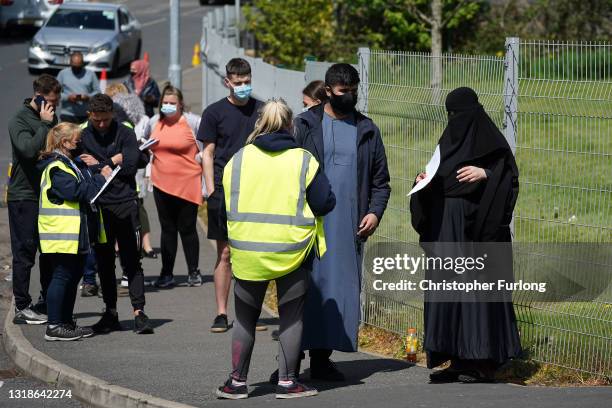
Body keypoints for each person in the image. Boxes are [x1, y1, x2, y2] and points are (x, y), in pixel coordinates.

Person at [215, 99, 335, 400]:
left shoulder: (238, 160)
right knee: (291, 318)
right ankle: (287, 382)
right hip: (291, 252)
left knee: (245, 318)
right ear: (290, 124)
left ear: (260, 123)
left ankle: (236, 383)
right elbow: (323, 202)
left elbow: (222, 206)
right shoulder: (304, 160)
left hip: (247, 252)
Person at [410, 87, 521, 383]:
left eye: (459, 114)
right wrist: (424, 182)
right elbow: (438, 174)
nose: (455, 121)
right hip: (446, 227)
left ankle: (483, 360)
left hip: (477, 232)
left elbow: (509, 177)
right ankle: (456, 358)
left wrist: (486, 174)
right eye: (451, 116)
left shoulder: (492, 143)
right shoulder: (446, 142)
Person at [294, 63, 391, 381]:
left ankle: (322, 360)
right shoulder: (306, 125)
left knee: (337, 292)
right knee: (302, 292)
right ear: (327, 92)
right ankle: (289, 364)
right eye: (341, 92)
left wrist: (375, 212)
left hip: (347, 226)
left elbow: (381, 180)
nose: (348, 97)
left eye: (353, 91)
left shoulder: (367, 129)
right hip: (306, 224)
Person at [197, 58, 264, 333]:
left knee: (254, 254)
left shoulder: (261, 110)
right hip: (225, 191)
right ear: (227, 82)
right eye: (238, 83)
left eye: (247, 82)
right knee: (225, 254)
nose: (243, 87)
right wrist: (212, 191)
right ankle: (222, 313)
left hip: (255, 191)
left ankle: (251, 313)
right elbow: (208, 154)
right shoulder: (214, 113)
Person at [79, 94, 153, 335]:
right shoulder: (84, 135)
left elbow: (130, 165)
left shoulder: (124, 132)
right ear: (90, 116)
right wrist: (111, 162)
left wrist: (100, 164)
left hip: (124, 202)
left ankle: (139, 312)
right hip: (99, 206)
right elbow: (81, 167)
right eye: (97, 120)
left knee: (132, 260)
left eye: (105, 120)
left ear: (112, 114)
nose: (101, 124)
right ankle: (110, 312)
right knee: (104, 262)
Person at [37, 122, 112, 340]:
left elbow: (84, 187)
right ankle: (54, 325)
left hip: (75, 234)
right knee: (61, 276)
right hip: (61, 235)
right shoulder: (56, 167)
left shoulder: (69, 164)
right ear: (64, 142)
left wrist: (95, 175)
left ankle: (66, 323)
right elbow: (78, 191)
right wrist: (100, 178)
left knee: (71, 277)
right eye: (76, 138)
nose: (80, 142)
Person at [8, 74, 61, 325]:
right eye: (50, 101)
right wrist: (44, 125)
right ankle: (21, 305)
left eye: (56, 102)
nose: (54, 107)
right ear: (38, 97)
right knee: (24, 251)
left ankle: (45, 300)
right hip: (24, 195)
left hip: (46, 194)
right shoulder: (19, 120)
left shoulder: (51, 117)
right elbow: (28, 151)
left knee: (48, 250)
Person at [146, 84, 203, 287]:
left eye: (172, 103)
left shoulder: (193, 122)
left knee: (187, 228)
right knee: (167, 229)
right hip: (162, 183)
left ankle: (194, 272)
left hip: (188, 182)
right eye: (165, 103)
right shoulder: (154, 121)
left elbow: (206, 149)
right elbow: (142, 141)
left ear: (181, 105)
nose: (168, 106)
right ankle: (166, 274)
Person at [107, 82, 156, 259]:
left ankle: (145, 243)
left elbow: (148, 147)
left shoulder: (140, 120)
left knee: (139, 208)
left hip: (135, 169)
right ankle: (119, 244)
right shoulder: (108, 121)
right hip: (115, 170)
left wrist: (149, 171)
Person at [56, 52, 100, 124]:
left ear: (83, 64)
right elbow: (56, 93)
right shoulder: (62, 74)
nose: (76, 69)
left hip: (86, 114)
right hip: (67, 114)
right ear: (70, 63)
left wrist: (88, 97)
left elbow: (98, 92)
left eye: (78, 67)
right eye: (74, 67)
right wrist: (67, 97)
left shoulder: (91, 74)